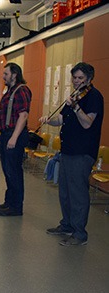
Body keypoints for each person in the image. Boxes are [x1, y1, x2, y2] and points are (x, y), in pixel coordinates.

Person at [39, 62, 104, 246]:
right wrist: (47, 120)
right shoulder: (74, 96)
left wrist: (75, 107)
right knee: (65, 191)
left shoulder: (93, 97)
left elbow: (87, 123)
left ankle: (79, 234)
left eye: (80, 78)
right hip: (67, 150)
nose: (76, 81)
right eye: (74, 78)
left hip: (82, 152)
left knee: (78, 194)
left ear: (89, 79)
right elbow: (60, 119)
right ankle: (67, 224)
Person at [0, 63, 32, 216]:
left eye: (6, 74)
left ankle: (15, 207)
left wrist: (14, 137)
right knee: (8, 171)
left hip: (14, 135)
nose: (3, 77)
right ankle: (9, 202)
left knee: (14, 171)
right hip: (7, 135)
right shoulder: (10, 92)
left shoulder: (22, 90)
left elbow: (23, 115)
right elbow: (7, 114)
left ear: (14, 75)